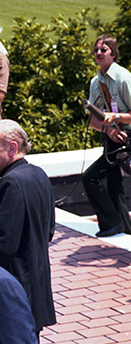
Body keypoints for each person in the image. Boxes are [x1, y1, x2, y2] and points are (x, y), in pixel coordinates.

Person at [0, 120, 56, 336]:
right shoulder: (38, 174)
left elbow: (1, 246)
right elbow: (48, 231)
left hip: (13, 293)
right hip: (34, 289)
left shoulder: (10, 184)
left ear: (12, 148)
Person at [82, 34, 131, 237]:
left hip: (128, 138)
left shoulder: (123, 78)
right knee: (113, 184)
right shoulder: (97, 82)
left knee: (90, 178)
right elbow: (93, 120)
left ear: (113, 53)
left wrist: (116, 116)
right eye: (96, 50)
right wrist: (109, 129)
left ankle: (112, 223)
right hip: (113, 139)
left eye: (104, 50)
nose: (99, 53)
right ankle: (123, 227)